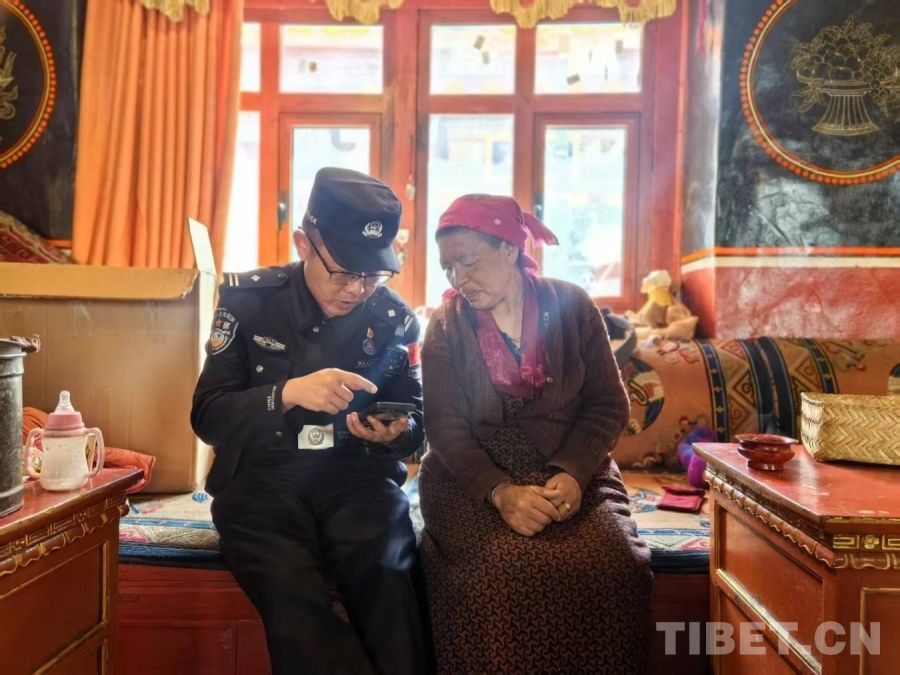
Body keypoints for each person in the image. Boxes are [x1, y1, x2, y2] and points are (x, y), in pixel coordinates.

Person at [191, 167, 426, 675]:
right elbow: (207, 417)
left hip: (357, 477)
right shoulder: (249, 301)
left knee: (390, 574)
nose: (357, 289)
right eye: (344, 273)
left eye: (373, 275)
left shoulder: (393, 320)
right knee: (289, 587)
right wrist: (286, 395)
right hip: (261, 480)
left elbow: (416, 424)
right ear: (304, 244)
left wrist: (396, 433)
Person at [418, 194, 654, 674]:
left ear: (509, 248)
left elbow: (608, 404)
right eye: (448, 268)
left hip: (570, 468)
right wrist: (500, 492)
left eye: (469, 262)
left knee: (614, 565)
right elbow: (444, 428)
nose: (459, 279)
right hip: (473, 478)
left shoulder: (572, 305)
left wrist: (573, 473)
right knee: (497, 572)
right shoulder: (445, 326)